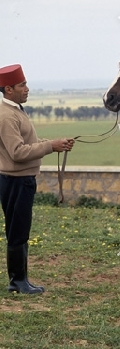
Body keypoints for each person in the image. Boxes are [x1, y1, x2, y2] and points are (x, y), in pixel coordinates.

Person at [0, 64, 75, 294]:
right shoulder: (7, 115)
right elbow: (18, 152)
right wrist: (50, 147)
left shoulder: (15, 110)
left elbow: (28, 142)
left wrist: (56, 144)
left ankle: (20, 279)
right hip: (16, 181)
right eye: (22, 85)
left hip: (20, 179)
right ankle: (17, 281)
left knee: (19, 229)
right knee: (18, 230)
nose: (27, 88)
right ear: (8, 89)